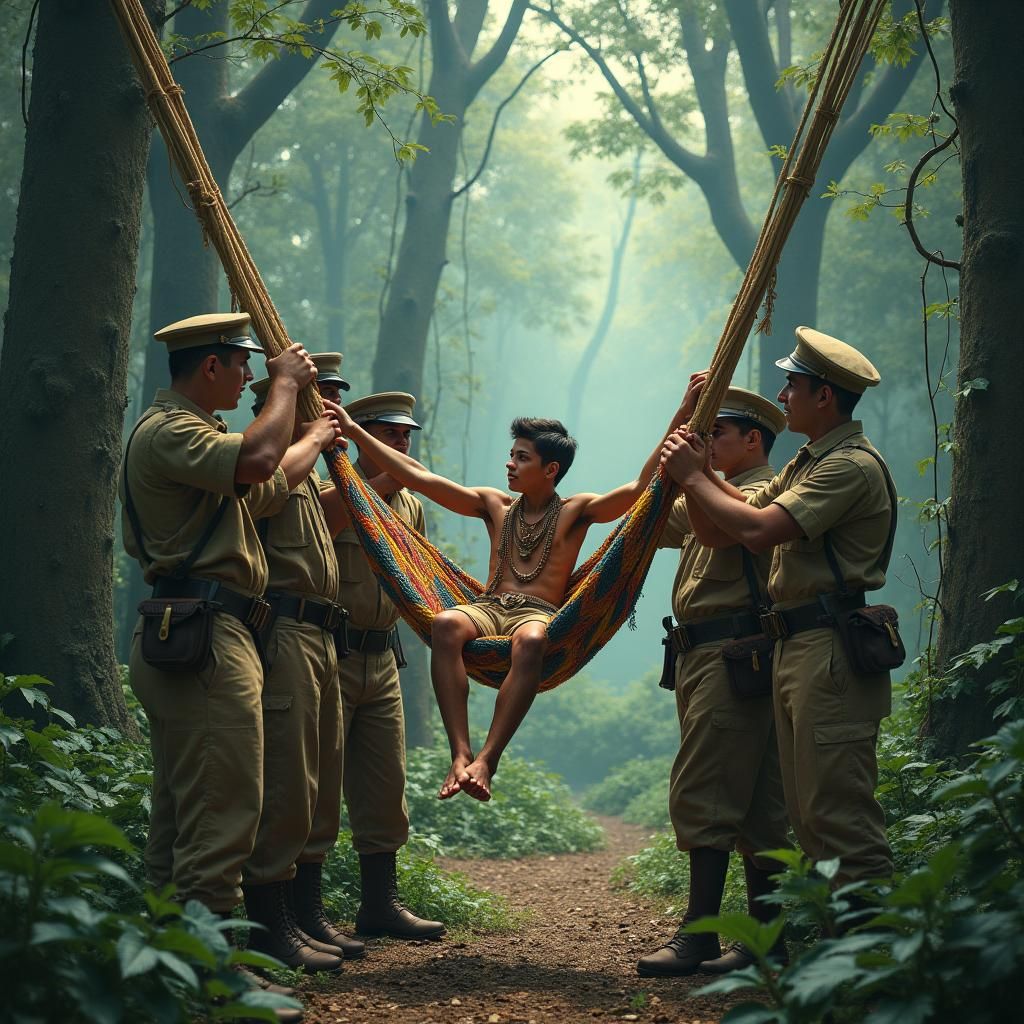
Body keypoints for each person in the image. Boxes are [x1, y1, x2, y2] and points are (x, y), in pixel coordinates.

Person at [120, 312, 333, 1020]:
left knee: (184, 810)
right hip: (207, 636)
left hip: (199, 632)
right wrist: (285, 385)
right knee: (223, 807)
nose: (249, 378)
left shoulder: (195, 440)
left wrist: (315, 434)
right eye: (242, 365)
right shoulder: (173, 431)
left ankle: (167, 959)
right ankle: (212, 973)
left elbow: (266, 483)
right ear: (210, 367)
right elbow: (257, 462)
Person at [333, 393, 697, 802]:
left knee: (534, 641)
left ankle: (488, 759)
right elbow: (422, 478)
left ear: (550, 469)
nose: (510, 463)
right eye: (511, 455)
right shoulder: (495, 504)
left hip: (538, 614)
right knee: (445, 624)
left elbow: (640, 488)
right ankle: (460, 753)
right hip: (488, 607)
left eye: (522, 458)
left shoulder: (577, 510)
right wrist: (352, 431)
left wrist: (681, 415)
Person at [660, 326, 896, 895]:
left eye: (793, 384)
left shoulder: (849, 466)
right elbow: (722, 529)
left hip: (830, 649)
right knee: (808, 816)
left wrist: (695, 474)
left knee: (838, 817)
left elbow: (760, 530)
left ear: (825, 396)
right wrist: (694, 462)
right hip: (798, 647)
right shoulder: (807, 465)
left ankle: (873, 968)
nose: (783, 395)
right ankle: (834, 958)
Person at [638, 384, 790, 978]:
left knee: (708, 791)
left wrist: (696, 474)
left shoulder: (764, 492)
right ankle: (764, 943)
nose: (707, 447)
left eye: (717, 435)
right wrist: (678, 428)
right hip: (707, 657)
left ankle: (699, 937)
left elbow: (737, 526)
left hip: (737, 654)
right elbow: (646, 509)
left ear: (754, 439)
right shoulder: (709, 492)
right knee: (753, 801)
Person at [240, 363, 365, 972]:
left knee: (318, 782)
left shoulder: (313, 477)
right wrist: (311, 439)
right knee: (288, 779)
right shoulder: (266, 466)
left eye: (336, 401)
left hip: (322, 637)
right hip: (283, 630)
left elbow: (351, 511)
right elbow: (269, 486)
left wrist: (357, 454)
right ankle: (270, 923)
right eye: (322, 401)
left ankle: (304, 911)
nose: (332, 411)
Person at [319, 387, 445, 940]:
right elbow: (324, 527)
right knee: (316, 784)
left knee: (384, 786)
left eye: (404, 435)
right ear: (358, 435)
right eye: (389, 433)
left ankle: (380, 904)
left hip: (383, 656)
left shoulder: (411, 503)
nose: (400, 442)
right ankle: (306, 910)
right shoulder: (328, 487)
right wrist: (385, 480)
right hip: (331, 653)